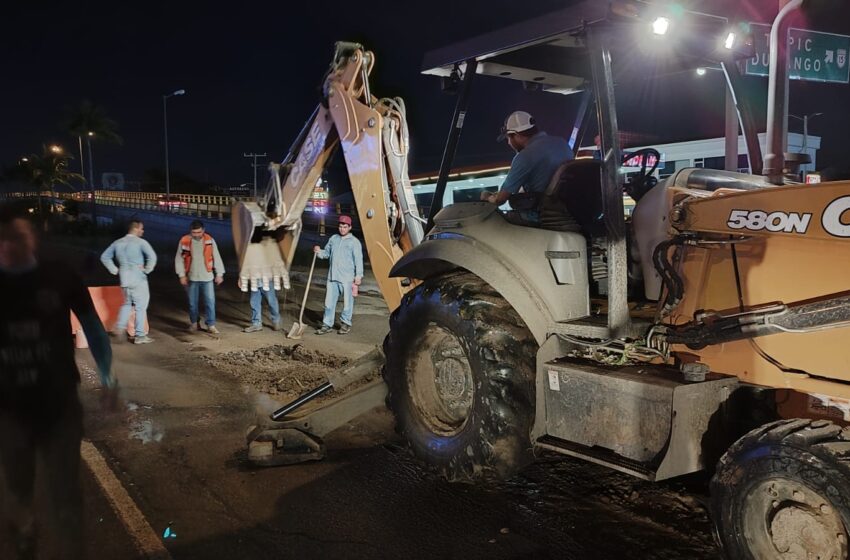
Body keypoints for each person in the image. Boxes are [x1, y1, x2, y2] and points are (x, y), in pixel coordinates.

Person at [0, 205, 116, 560]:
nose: (10, 245)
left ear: (32, 239)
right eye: (3, 239)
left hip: (59, 407)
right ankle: (23, 539)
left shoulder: (59, 276)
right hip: (8, 411)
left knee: (65, 493)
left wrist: (108, 377)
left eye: (17, 236)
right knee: (18, 492)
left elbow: (93, 327)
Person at [481, 110, 574, 225]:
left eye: (508, 138)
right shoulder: (562, 143)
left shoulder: (525, 156)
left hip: (540, 216)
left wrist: (488, 198)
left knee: (494, 223)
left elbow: (500, 200)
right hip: (567, 211)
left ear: (516, 135)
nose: (509, 143)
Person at [100, 219, 157, 344]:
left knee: (126, 304)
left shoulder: (118, 242)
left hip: (124, 278)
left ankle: (120, 326)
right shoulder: (141, 242)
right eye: (141, 228)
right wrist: (147, 269)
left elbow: (104, 257)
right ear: (136, 229)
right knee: (140, 308)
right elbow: (152, 257)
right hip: (138, 279)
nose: (142, 231)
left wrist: (114, 270)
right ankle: (140, 336)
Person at [313, 215, 363, 335]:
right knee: (328, 303)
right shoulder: (333, 239)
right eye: (340, 226)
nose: (342, 229)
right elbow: (326, 253)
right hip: (332, 276)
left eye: (345, 227)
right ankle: (327, 324)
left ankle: (345, 324)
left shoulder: (354, 242)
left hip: (347, 278)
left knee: (347, 303)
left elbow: (358, 260)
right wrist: (318, 251)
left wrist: (358, 275)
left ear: (350, 227)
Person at [174, 220, 225, 334]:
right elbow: (179, 259)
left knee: (210, 302)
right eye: (194, 233)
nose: (196, 235)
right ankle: (194, 323)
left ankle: (211, 325)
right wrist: (181, 275)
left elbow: (216, 256)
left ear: (203, 230)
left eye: (198, 232)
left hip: (207, 277)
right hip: (192, 278)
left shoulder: (209, 240)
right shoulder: (184, 241)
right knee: (192, 303)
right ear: (190, 231)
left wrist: (219, 273)